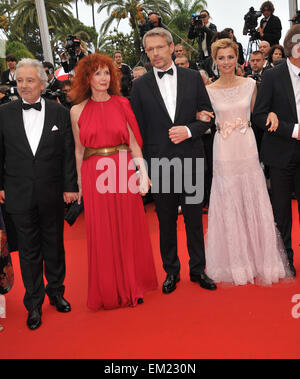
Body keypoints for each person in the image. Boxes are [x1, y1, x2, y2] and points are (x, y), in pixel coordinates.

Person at [198, 38, 292, 285]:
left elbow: (260, 115)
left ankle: (262, 260)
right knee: (229, 200)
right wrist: (199, 115)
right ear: (215, 61)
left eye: (230, 57)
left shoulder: (250, 84)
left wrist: (272, 114)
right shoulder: (207, 90)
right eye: (221, 58)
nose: (226, 62)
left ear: (237, 58)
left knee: (253, 196)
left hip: (247, 146)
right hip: (223, 149)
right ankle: (236, 263)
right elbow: (204, 119)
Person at [130, 27, 217, 294]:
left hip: (190, 158)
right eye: (150, 50)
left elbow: (208, 115)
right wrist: (144, 168)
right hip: (160, 164)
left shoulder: (192, 78)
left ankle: (198, 269)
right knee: (166, 221)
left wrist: (189, 130)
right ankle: (171, 271)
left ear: (171, 47)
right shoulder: (139, 85)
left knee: (193, 218)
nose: (155, 53)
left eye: (159, 47)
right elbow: (138, 130)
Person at [70, 53, 157, 310]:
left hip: (122, 169)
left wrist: (143, 172)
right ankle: (108, 288)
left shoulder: (122, 103)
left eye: (106, 72)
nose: (103, 78)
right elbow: (78, 150)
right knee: (102, 232)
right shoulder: (76, 111)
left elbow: (133, 143)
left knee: (127, 227)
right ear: (87, 78)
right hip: (93, 173)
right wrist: (80, 186)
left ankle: (132, 284)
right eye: (97, 73)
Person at [0, 58, 78, 330]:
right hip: (18, 193)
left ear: (42, 84)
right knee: (29, 251)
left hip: (52, 191)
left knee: (54, 245)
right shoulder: (4, 113)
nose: (24, 86)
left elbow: (68, 153)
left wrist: (70, 186)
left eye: (30, 80)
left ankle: (56, 292)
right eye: (19, 80)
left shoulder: (59, 113)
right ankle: (34, 303)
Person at [253, 25, 300, 277]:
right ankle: (285, 260)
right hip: (281, 153)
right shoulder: (271, 76)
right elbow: (259, 115)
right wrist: (291, 129)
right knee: (281, 211)